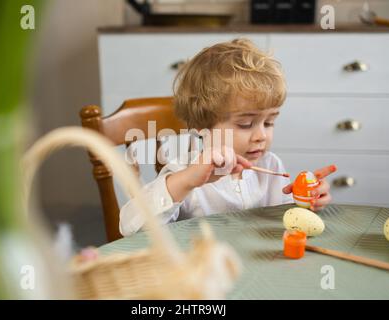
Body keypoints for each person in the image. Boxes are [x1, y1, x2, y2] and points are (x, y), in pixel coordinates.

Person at [119, 38, 335, 237]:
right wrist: (186, 180)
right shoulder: (185, 170)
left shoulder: (271, 165)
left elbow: (289, 220)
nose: (261, 135)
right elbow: (129, 226)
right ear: (202, 125)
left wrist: (308, 200)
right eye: (245, 124)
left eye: (269, 122)